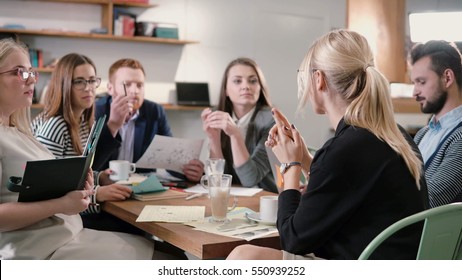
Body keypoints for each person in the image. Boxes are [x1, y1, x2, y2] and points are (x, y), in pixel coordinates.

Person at [227, 29, 428, 260]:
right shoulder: (394, 135)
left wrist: (290, 165)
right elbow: (345, 187)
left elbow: (293, 239)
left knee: (243, 257)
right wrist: (304, 159)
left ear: (319, 79)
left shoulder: (345, 148)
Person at [0, 38, 155, 259]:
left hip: (66, 234)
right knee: (163, 256)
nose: (31, 79)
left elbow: (50, 185)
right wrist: (77, 199)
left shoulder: (19, 132)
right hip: (43, 247)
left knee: (163, 251)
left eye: (30, 72)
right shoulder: (50, 127)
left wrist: (94, 179)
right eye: (18, 72)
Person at [30, 53, 141, 234]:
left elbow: (72, 177)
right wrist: (97, 194)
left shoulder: (81, 121)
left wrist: (99, 177)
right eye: (79, 82)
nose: (88, 88)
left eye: (91, 81)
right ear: (64, 85)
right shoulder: (55, 126)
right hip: (56, 227)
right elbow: (49, 193)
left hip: (71, 221)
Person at [93, 58, 203, 181]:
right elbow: (90, 164)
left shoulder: (155, 111)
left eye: (139, 85)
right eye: (127, 84)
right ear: (110, 88)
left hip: (141, 187)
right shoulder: (95, 111)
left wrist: (189, 171)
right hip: (104, 187)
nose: (135, 91)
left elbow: (171, 160)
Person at [201, 57, 277, 193]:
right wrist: (214, 138)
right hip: (233, 197)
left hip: (264, 198)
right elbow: (217, 180)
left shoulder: (271, 120)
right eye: (237, 81)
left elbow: (250, 179)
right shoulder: (217, 115)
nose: (246, 86)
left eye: (253, 81)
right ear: (226, 90)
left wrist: (235, 135)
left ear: (260, 87)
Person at [410, 40, 462, 208]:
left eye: (422, 82)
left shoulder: (460, 138)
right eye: (414, 83)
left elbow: (428, 201)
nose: (414, 92)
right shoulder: (423, 134)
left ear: (447, 78)